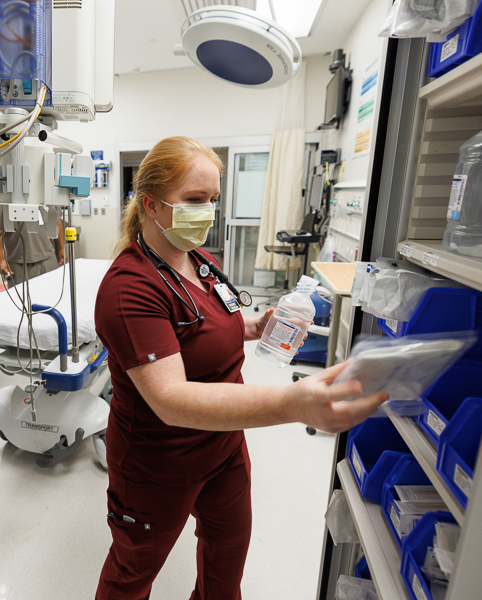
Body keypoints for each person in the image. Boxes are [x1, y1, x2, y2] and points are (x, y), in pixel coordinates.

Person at [93, 136, 388, 599]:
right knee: (133, 573)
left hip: (224, 447)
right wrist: (293, 401)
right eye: (194, 200)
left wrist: (253, 325)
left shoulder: (201, 262)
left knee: (226, 558)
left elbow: (206, 323)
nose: (208, 211)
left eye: (213, 199)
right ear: (150, 204)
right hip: (158, 463)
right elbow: (170, 400)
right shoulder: (128, 289)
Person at [0, 204, 65, 285]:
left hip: (48, 259)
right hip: (19, 263)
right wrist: (1, 260)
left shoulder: (45, 194)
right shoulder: (4, 199)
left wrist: (62, 247)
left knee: (53, 293)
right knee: (20, 296)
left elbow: (56, 220)